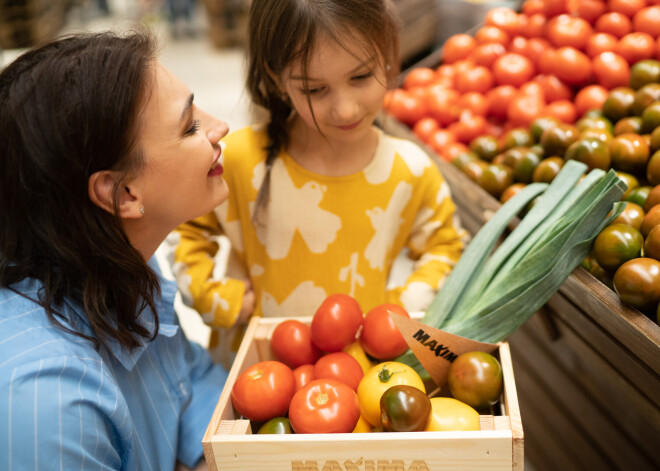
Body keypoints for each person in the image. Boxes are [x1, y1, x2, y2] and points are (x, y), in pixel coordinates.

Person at [170, 0, 467, 363]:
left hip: (358, 377)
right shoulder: (237, 159)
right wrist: (214, 296)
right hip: (258, 373)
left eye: (360, 77)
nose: (345, 109)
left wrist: (400, 308)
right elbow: (183, 227)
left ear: (389, 53)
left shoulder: (412, 169)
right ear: (276, 79)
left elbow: (447, 247)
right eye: (314, 90)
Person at [0, 29, 230, 470]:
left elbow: (190, 382)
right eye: (190, 126)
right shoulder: (46, 402)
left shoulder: (125, 262)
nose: (219, 127)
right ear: (123, 193)